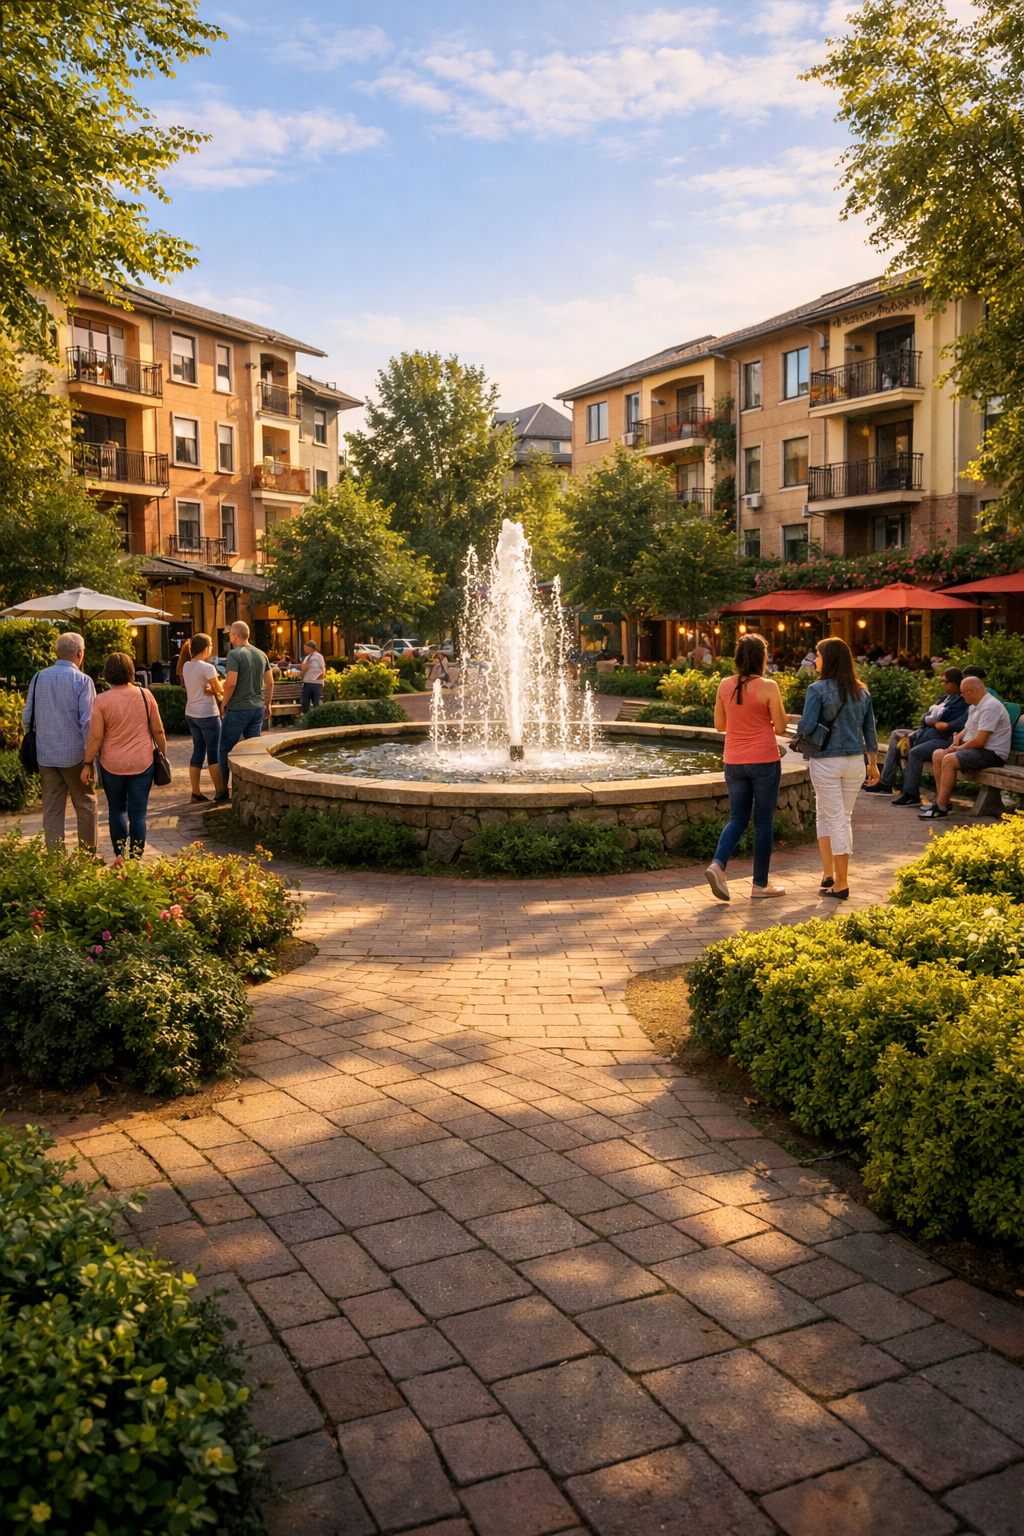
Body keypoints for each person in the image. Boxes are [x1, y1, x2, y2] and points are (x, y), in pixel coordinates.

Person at [705, 633, 789, 902]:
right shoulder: (768, 686)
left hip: (733, 761)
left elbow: (720, 725)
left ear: (738, 657)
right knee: (763, 823)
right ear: (762, 658)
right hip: (764, 760)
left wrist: (741, 721)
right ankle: (760, 885)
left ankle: (718, 865)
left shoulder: (724, 685)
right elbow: (782, 726)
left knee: (738, 819)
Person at [796, 637, 879, 901]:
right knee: (831, 814)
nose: (815, 660)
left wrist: (797, 727)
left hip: (826, 761)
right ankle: (828, 874)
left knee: (836, 818)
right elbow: (870, 730)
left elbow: (807, 726)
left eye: (817, 655)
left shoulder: (817, 689)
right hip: (855, 762)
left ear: (828, 659)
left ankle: (841, 883)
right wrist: (874, 763)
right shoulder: (861, 691)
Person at [81, 652, 167, 862]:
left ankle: (119, 856)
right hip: (143, 761)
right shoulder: (145, 695)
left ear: (107, 673)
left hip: (111, 764)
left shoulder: (101, 701)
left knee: (116, 810)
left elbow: (95, 736)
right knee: (138, 814)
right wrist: (163, 754)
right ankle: (136, 858)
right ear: (130, 671)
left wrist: (87, 763)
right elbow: (159, 731)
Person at [23, 631, 98, 851]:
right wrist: (89, 760)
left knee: (52, 809)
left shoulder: (38, 677)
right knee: (85, 806)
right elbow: (87, 723)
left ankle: (54, 861)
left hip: (45, 755)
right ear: (80, 653)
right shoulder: (83, 680)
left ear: (57, 652)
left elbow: (27, 716)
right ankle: (86, 859)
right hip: (75, 756)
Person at [864, 666, 968, 805]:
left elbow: (953, 723)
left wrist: (939, 723)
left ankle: (911, 794)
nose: (942, 684)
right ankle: (886, 782)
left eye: (944, 682)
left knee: (915, 752)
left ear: (954, 683)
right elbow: (927, 716)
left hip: (942, 739)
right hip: (926, 732)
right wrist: (928, 720)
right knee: (896, 734)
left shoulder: (962, 701)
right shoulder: (945, 698)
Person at [919, 675, 1011, 820]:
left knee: (949, 759)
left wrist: (959, 749)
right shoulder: (975, 706)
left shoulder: (990, 707)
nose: (961, 696)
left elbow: (980, 741)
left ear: (972, 691)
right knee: (938, 754)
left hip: (992, 753)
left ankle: (940, 808)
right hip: (977, 750)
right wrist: (956, 740)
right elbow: (967, 729)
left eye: (963, 692)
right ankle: (942, 801)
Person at [216, 621, 273, 802]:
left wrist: (223, 703)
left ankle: (222, 791)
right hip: (257, 709)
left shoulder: (234, 654)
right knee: (252, 749)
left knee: (224, 748)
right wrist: (268, 704)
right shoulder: (261, 654)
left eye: (230, 635)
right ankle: (253, 789)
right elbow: (270, 682)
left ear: (236, 635)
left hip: (238, 709)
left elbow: (231, 682)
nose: (230, 639)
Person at [181, 632, 224, 803]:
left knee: (198, 750)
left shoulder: (186, 666)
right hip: (207, 714)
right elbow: (219, 689)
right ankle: (220, 791)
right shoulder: (207, 667)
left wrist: (210, 687)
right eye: (211, 645)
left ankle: (195, 792)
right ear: (206, 648)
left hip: (191, 713)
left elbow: (199, 685)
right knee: (213, 752)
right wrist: (218, 685)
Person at [300, 638, 326, 714]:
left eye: (305, 648)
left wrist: (321, 676)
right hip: (309, 682)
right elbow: (303, 668)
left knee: (314, 702)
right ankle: (308, 716)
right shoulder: (307, 658)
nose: (304, 649)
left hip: (315, 682)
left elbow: (322, 668)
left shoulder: (318, 657)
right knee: (308, 702)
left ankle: (314, 717)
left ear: (309, 648)